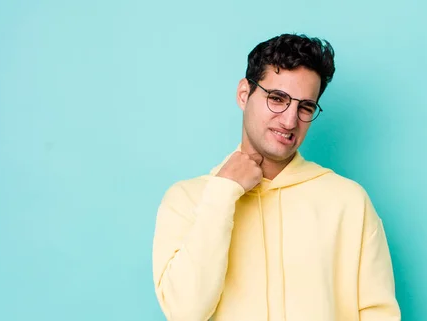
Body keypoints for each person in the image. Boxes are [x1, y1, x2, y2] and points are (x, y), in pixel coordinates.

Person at [151, 33, 401, 321]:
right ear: (244, 94)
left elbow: (379, 314)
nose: (290, 120)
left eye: (305, 107)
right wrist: (222, 194)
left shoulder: (349, 202)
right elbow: (185, 313)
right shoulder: (186, 200)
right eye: (277, 98)